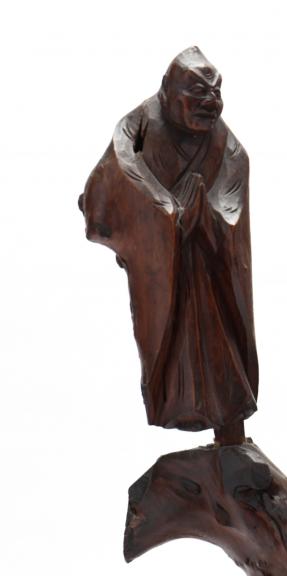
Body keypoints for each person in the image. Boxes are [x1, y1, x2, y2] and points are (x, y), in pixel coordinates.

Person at [80, 47, 258, 442]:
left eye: (215, 92)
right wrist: (168, 214)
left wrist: (206, 215)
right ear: (167, 89)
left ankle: (231, 436)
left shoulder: (226, 144)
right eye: (197, 92)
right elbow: (117, 175)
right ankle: (199, 429)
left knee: (225, 355)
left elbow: (232, 205)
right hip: (165, 269)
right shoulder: (137, 126)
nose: (210, 102)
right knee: (172, 350)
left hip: (211, 272)